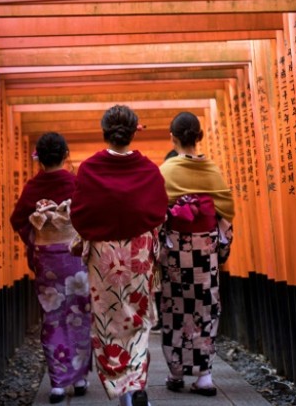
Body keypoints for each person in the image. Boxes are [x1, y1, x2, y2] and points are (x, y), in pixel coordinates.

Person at [70, 105, 168, 406]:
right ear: (133, 131)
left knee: (108, 320)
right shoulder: (149, 169)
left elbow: (80, 214)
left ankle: (122, 388)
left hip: (103, 255)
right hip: (137, 253)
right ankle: (135, 385)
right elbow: (159, 211)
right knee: (136, 319)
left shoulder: (89, 169)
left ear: (105, 132)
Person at [10, 132, 91, 404]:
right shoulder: (76, 183)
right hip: (75, 257)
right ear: (66, 154)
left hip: (48, 261)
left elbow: (18, 219)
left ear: (39, 159)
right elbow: (89, 215)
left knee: (53, 315)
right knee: (79, 312)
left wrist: (36, 235)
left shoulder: (33, 187)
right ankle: (79, 377)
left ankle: (58, 382)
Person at [158, 111, 235, 396]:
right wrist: (221, 249)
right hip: (206, 256)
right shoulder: (212, 171)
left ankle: (176, 372)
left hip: (176, 253)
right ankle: (204, 375)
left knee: (175, 308)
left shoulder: (165, 172)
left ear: (173, 137)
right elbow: (225, 217)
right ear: (199, 137)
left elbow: (155, 215)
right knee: (206, 308)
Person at [150, 149, 179, 334]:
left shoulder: (162, 180)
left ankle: (164, 319)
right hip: (192, 247)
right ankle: (164, 318)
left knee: (165, 283)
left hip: (166, 240)